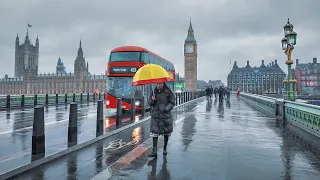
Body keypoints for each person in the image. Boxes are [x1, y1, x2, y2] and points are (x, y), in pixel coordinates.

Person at [148, 82, 175, 157]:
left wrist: (166, 109)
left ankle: (165, 148)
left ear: (163, 84)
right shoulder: (154, 91)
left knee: (166, 133)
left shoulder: (168, 92)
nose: (158, 85)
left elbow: (172, 102)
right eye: (157, 84)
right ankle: (154, 151)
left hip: (165, 116)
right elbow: (150, 102)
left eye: (159, 84)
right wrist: (152, 100)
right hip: (155, 116)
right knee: (154, 133)